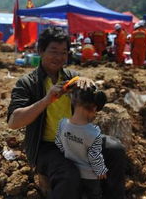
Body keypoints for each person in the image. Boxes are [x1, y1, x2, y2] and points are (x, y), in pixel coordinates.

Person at [7, 26, 126, 199]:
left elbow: (96, 103)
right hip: (48, 146)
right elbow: (13, 122)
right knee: (68, 175)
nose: (59, 57)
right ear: (40, 51)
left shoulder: (72, 77)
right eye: (53, 51)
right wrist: (46, 100)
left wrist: (90, 87)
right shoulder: (28, 83)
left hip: (77, 138)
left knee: (115, 149)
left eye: (63, 52)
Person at [55, 86, 108, 199]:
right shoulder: (94, 133)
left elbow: (59, 143)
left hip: (71, 170)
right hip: (89, 176)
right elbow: (94, 155)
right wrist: (101, 170)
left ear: (73, 102)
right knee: (94, 195)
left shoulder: (62, 123)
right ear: (93, 108)